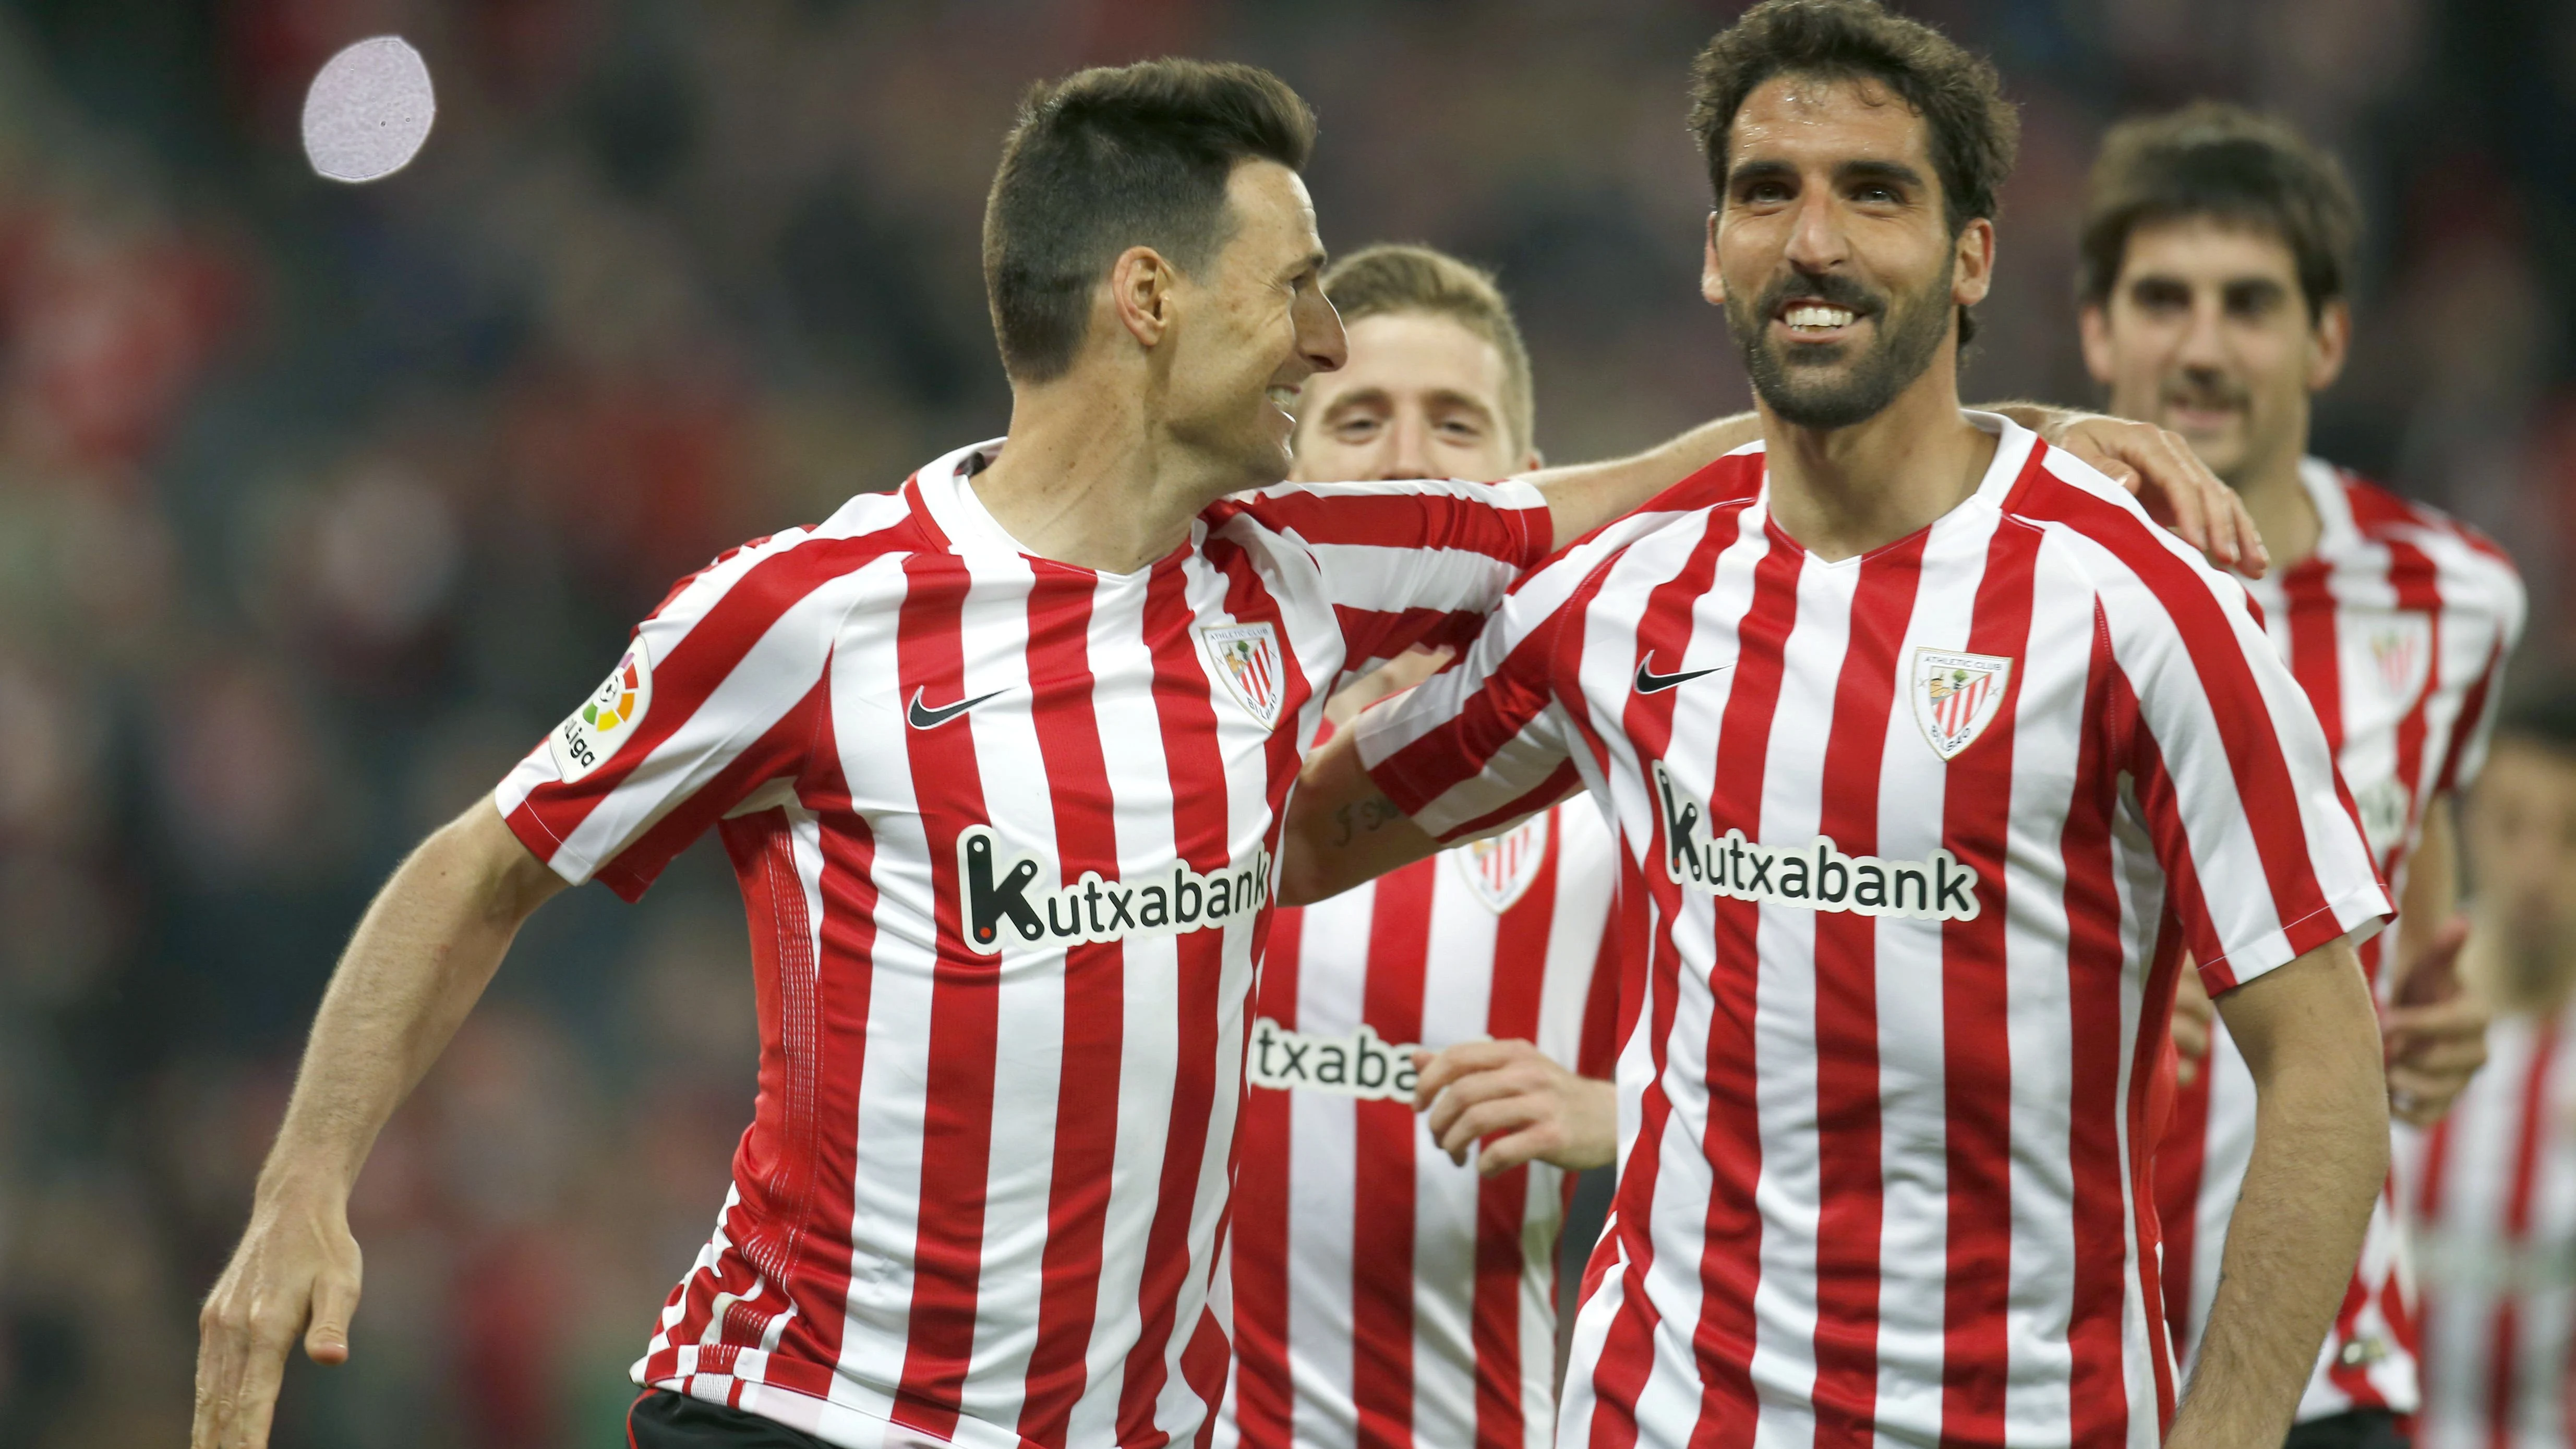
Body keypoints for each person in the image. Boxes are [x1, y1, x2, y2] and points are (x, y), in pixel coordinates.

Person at [190, 51, 2246, 1449]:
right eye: (1296, 293)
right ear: (1150, 299)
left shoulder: (1303, 574)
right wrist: (306, 1183)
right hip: (801, 1415)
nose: (1335, 347)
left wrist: (2010, 439)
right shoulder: (816, 612)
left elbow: (1655, 478)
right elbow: (484, 855)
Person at [1276, 5, 2395, 1447]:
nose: (1814, 241)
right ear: (1709, 248)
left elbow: (2325, 1066)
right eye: (1766, 193)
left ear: (1972, 254)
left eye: (1874, 191)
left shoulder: (2133, 598)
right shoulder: (1624, 591)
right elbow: (1306, 835)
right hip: (1661, 1413)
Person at [2080, 104, 2526, 1449]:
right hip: (2052, 1342)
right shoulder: (2003, 580)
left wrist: (2441, 1016)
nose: (2202, 347)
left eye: (2251, 304)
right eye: (2162, 300)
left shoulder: (2457, 598)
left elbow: (2417, 893)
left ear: (2328, 337)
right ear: (2097, 330)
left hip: (2325, 1362)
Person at [1219, 244, 1626, 1449]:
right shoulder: (1189, 756)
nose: (1406, 459)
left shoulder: (1608, 783)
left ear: (1534, 483)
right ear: (1285, 470)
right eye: (1358, 421)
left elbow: (1827, 1091)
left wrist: (1619, 1115)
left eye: (1455, 424)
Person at [2406, 685, 2576, 1449]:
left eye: (2571, 836)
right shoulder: (2387, 1007)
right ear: (2469, 822)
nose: (2536, 869)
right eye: (2511, 825)